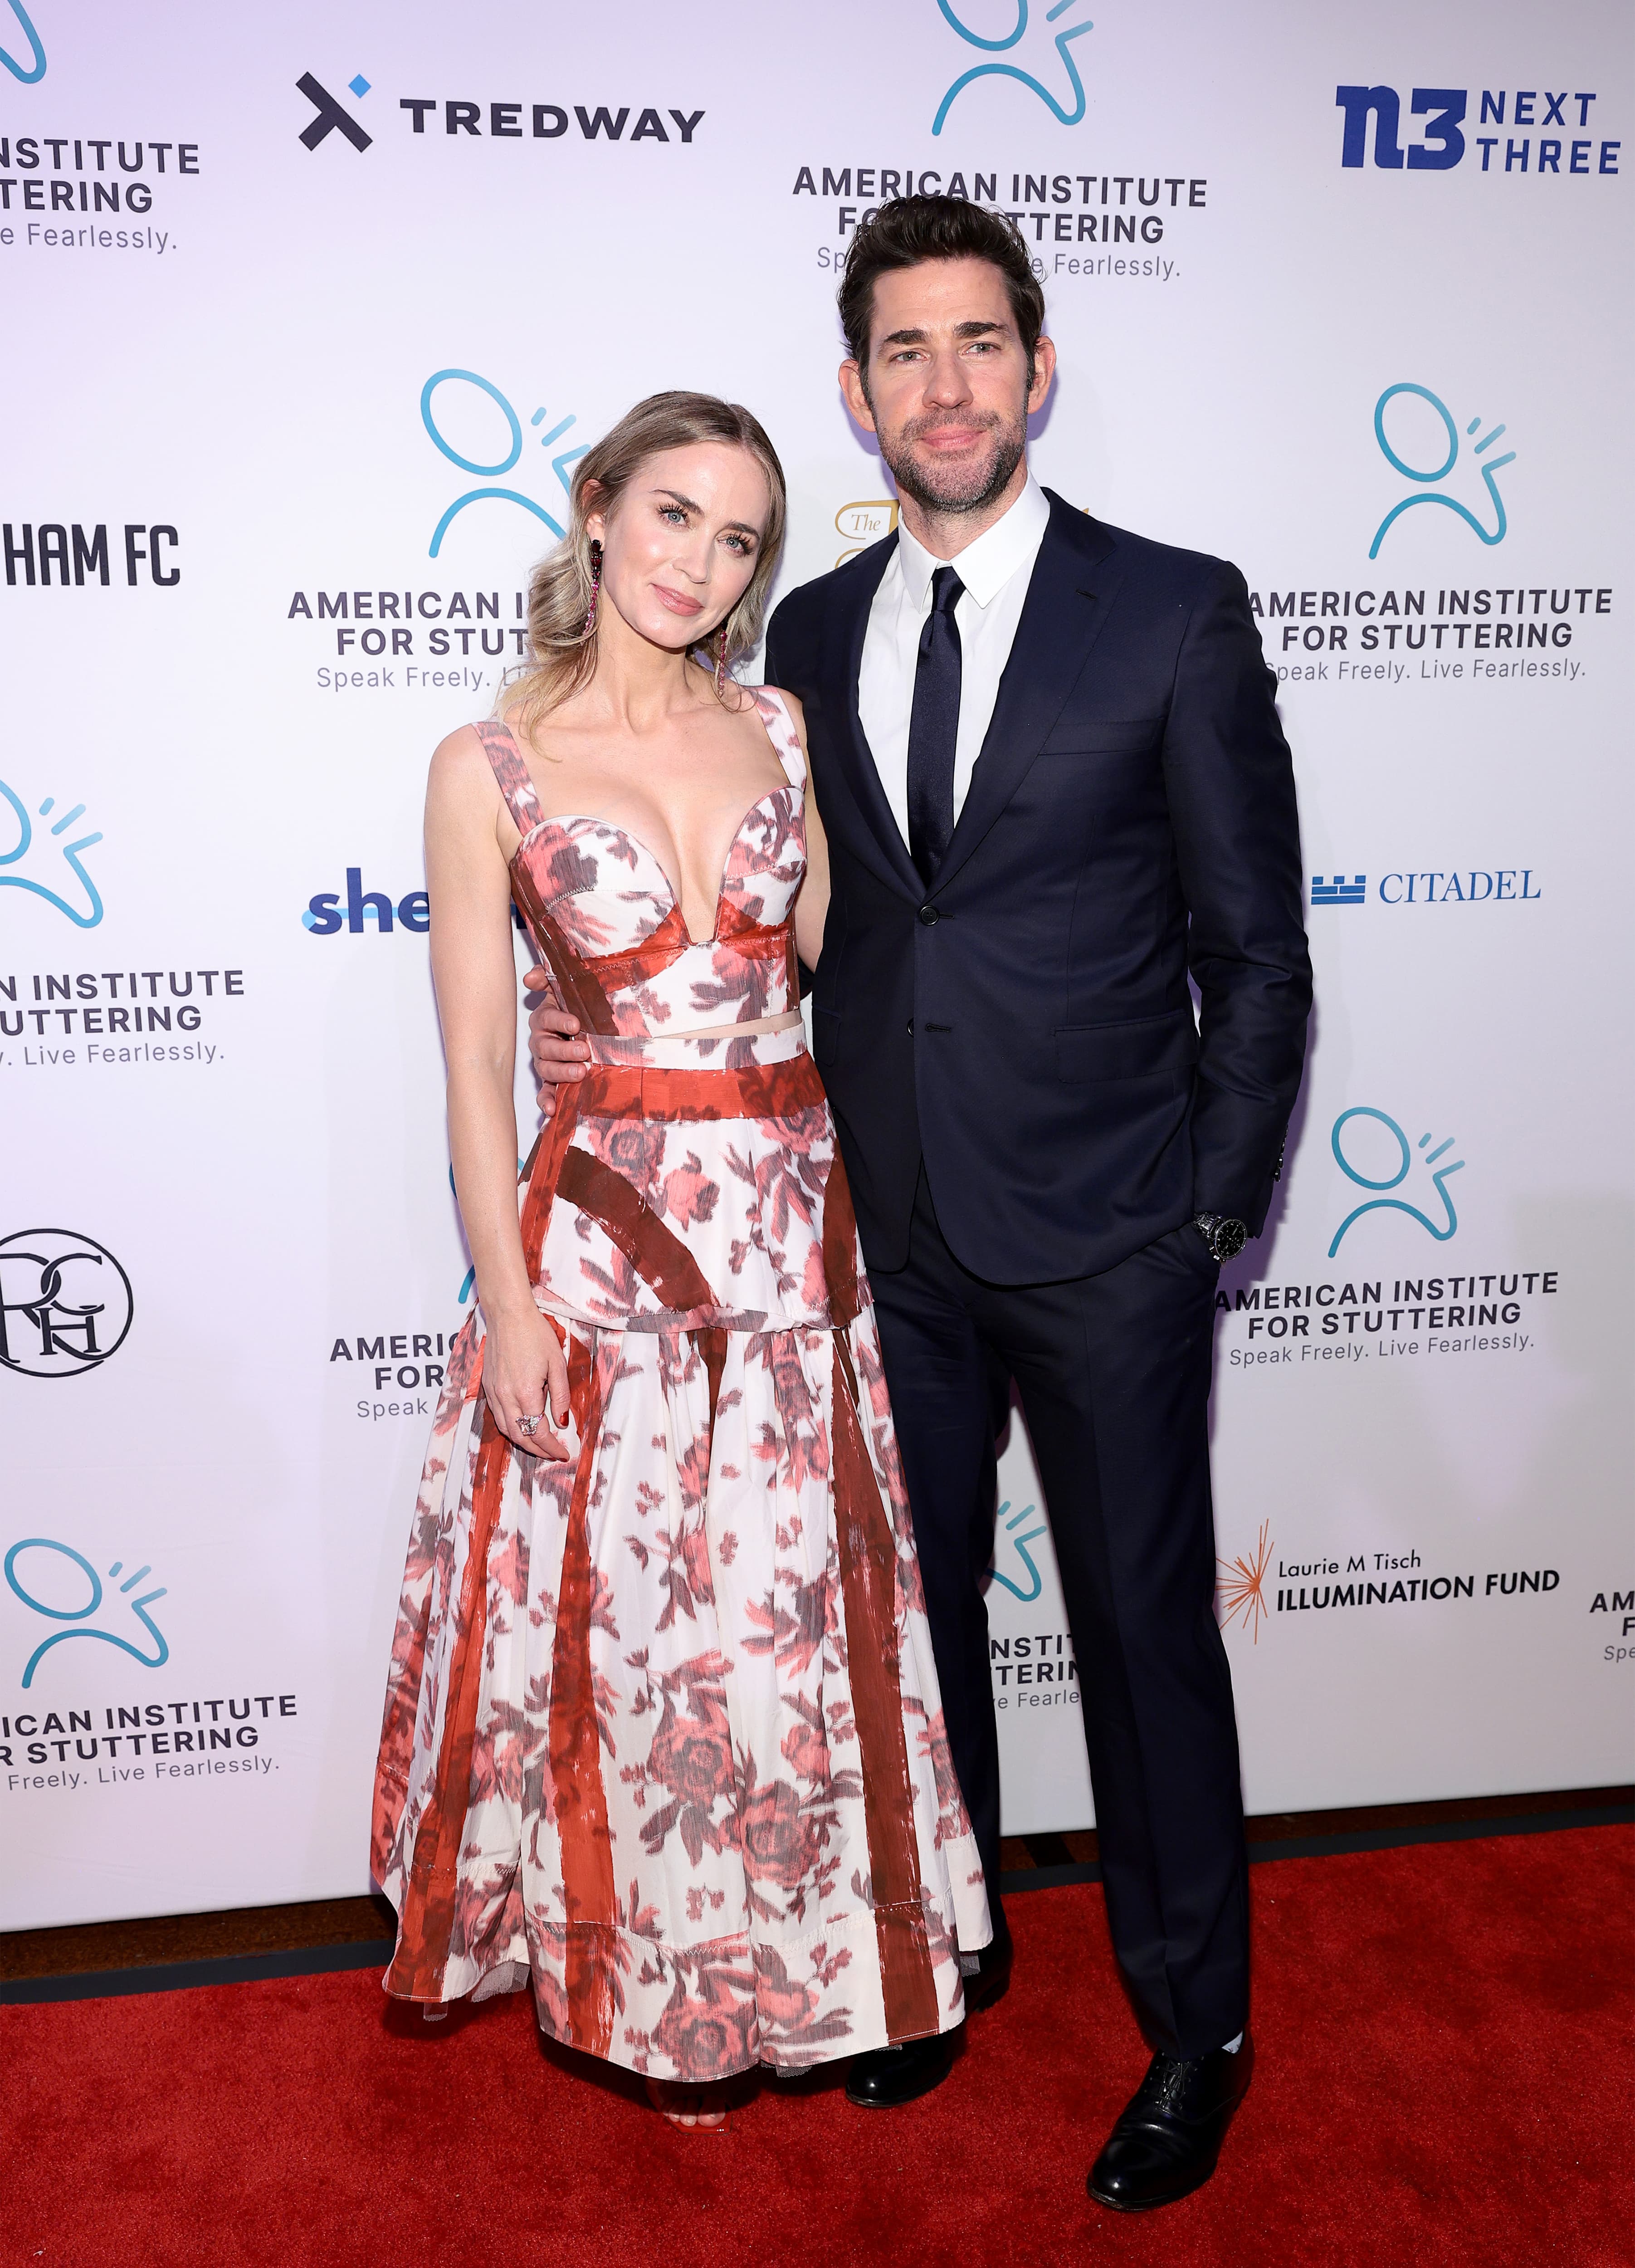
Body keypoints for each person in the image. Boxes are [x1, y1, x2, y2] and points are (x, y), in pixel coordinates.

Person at [530, 201, 1312, 2206]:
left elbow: (1258, 947)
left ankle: (1192, 2024)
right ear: (855, 387)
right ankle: (938, 1948)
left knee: (1145, 1635)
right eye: (902, 349)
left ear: (1035, 371)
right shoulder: (792, 637)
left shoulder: (1172, 611)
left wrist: (1204, 1219)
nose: (943, 382)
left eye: (979, 343)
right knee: (909, 1620)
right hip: (873, 1238)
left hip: (1117, 1230)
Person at [371, 390, 990, 2133]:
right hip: (606, 1262)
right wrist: (508, 1304)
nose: (698, 565)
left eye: (737, 540)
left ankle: (816, 1983)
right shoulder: (484, 765)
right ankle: (650, 1998)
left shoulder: (784, 727)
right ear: (593, 510)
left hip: (796, 1252)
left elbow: (844, 979)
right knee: (639, 1650)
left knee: (792, 1639)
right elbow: (478, 1067)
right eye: (671, 517)